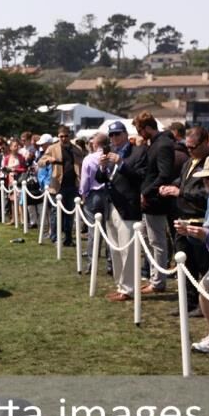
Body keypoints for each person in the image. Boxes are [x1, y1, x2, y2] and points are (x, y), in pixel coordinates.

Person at [162, 126, 209, 317]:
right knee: (185, 265)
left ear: (206, 143)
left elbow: (208, 194)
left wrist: (181, 192)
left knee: (204, 266)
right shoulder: (190, 162)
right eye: (187, 146)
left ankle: (206, 304)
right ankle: (188, 302)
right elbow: (182, 180)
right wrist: (172, 186)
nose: (189, 150)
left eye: (193, 147)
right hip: (183, 220)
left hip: (200, 222)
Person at [177, 155, 209, 353]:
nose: (205, 182)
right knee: (206, 288)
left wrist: (208, 234)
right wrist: (191, 231)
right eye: (204, 178)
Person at [99, 121, 148, 301]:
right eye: (111, 135)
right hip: (111, 203)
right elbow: (101, 179)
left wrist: (121, 164)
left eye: (117, 134)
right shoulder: (109, 153)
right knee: (115, 248)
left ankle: (130, 289)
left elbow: (140, 177)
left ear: (126, 134)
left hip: (128, 205)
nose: (114, 138)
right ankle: (121, 286)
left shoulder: (138, 152)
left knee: (128, 250)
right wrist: (102, 167)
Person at [136, 112, 177, 294]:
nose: (139, 134)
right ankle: (155, 278)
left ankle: (158, 282)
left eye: (139, 130)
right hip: (150, 200)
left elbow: (164, 174)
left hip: (156, 201)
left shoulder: (162, 145)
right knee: (149, 240)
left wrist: (146, 191)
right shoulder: (156, 143)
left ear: (147, 128)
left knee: (157, 242)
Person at [42, 126, 85, 246]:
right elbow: (40, 162)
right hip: (58, 185)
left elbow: (82, 162)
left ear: (69, 136)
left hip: (72, 184)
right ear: (58, 136)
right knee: (56, 212)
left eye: (66, 136)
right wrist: (48, 160)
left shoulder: (77, 149)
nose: (64, 138)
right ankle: (55, 237)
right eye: (61, 136)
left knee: (70, 213)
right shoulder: (52, 148)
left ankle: (68, 238)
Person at [79, 133, 112, 274]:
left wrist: (83, 194)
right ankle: (111, 264)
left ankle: (92, 263)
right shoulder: (112, 157)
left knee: (94, 231)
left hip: (93, 194)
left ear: (95, 144)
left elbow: (85, 180)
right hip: (108, 194)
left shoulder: (88, 158)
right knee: (110, 231)